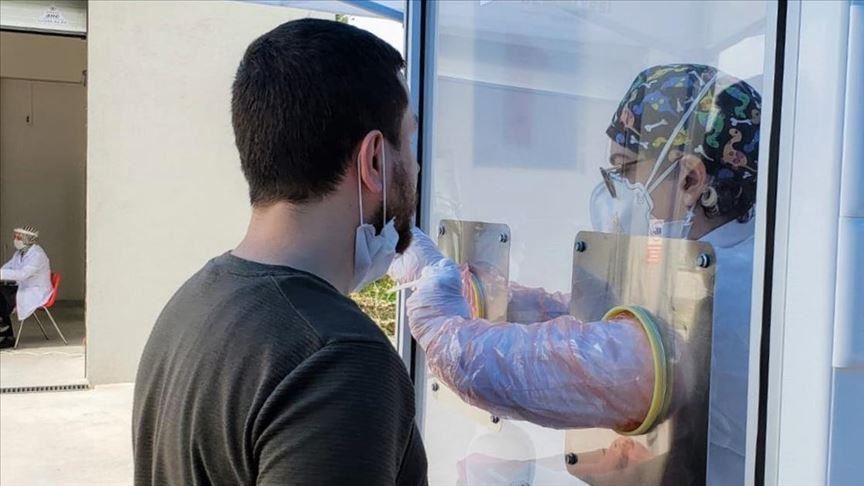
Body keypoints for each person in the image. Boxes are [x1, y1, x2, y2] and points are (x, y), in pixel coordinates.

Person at [389, 64, 760, 485]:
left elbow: (506, 370)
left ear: (690, 180)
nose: (611, 191)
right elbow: (590, 323)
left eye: (624, 171)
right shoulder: (735, 261)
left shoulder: (721, 294)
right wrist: (476, 291)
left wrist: (435, 310)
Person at [132, 19, 425, 485]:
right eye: (408, 140)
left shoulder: (191, 304)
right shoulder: (339, 360)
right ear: (373, 159)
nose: (416, 164)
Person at [1, 226, 52, 349]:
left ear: (28, 239)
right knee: (2, 294)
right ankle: (4, 331)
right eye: (15, 237)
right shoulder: (19, 253)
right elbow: (8, 268)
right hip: (23, 287)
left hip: (35, 291)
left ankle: (6, 335)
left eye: (19, 237)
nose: (16, 240)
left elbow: (22, 274)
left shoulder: (37, 255)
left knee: (2, 298)